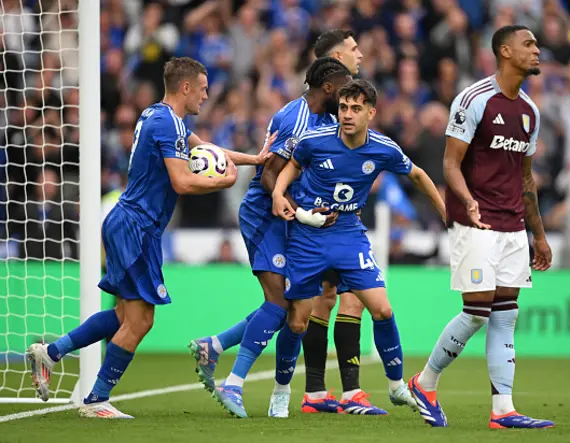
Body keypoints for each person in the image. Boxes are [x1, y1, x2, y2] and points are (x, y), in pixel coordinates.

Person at [27, 57, 271, 418]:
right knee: (141, 321)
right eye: (203, 89)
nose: (206, 96)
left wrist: (255, 158)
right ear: (185, 87)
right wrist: (224, 181)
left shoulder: (157, 116)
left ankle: (52, 352)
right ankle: (96, 400)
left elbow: (206, 150)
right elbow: (183, 181)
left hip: (132, 224)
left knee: (127, 313)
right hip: (136, 226)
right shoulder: (166, 124)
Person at [268, 79, 446, 418]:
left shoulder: (383, 148)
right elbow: (291, 165)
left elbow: (419, 175)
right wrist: (279, 193)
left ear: (371, 113)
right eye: (344, 108)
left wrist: (445, 212)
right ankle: (281, 391)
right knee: (297, 321)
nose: (347, 115)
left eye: (355, 109)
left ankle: (396, 387)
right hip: (308, 237)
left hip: (350, 235)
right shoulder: (314, 140)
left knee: (381, 309)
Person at [187, 57, 352, 419]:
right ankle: (234, 382)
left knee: (298, 316)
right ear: (328, 86)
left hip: (300, 223)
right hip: (268, 215)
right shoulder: (296, 118)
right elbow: (268, 176)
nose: (349, 96)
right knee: (278, 304)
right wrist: (302, 210)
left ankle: (224, 352)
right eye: (345, 86)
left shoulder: (331, 120)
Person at [408, 25, 555, 429]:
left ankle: (502, 409)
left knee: (505, 314)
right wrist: (467, 201)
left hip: (512, 227)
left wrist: (537, 234)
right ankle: (425, 382)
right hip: (474, 221)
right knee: (476, 311)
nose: (537, 50)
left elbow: (526, 178)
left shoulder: (529, 112)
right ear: (505, 51)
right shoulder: (474, 100)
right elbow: (450, 164)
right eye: (529, 44)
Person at [299, 29, 389, 416]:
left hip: (346, 219)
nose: (361, 54)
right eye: (353, 50)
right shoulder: (306, 113)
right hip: (314, 224)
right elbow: (286, 164)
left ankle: (333, 392)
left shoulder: (346, 102)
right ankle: (321, 391)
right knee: (306, 306)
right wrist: (298, 209)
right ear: (335, 58)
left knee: (337, 299)